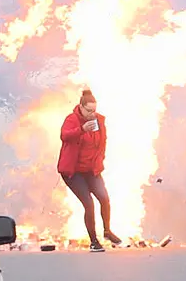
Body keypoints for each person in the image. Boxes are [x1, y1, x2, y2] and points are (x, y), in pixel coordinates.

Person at [57, 89, 122, 252]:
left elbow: (102, 142)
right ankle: (94, 241)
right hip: (73, 172)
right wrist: (82, 129)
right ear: (81, 107)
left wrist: (100, 161)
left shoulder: (99, 120)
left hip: (91, 169)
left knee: (104, 198)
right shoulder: (72, 120)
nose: (92, 114)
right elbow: (64, 136)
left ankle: (107, 231)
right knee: (88, 203)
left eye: (94, 110)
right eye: (89, 111)